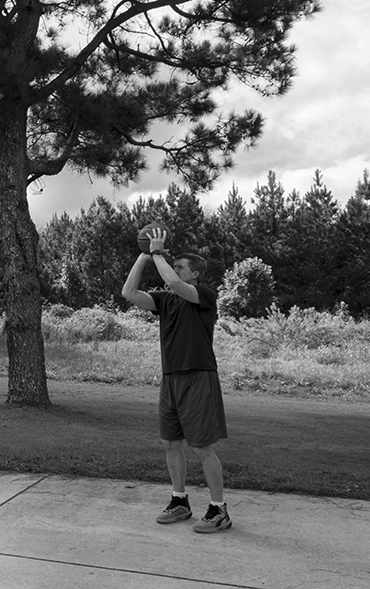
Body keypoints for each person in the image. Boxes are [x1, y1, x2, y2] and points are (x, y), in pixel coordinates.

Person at [120, 227, 231, 533]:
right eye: (175, 265)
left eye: (181, 266)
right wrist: (144, 257)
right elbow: (128, 294)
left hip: (198, 378)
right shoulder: (166, 301)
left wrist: (157, 252)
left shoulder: (205, 296)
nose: (175, 269)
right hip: (171, 380)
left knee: (202, 446)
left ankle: (219, 509)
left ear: (195, 274)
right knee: (171, 443)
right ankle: (180, 501)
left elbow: (171, 280)